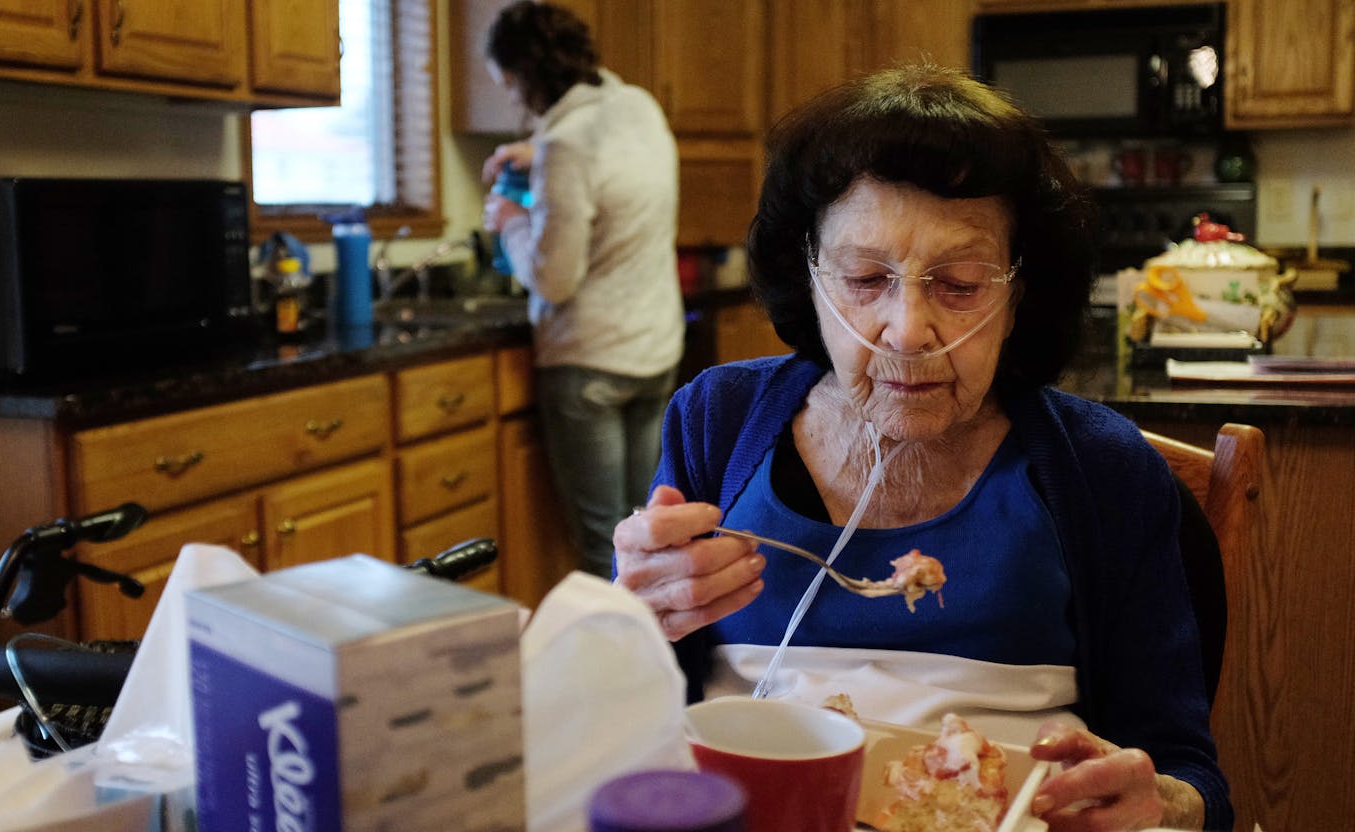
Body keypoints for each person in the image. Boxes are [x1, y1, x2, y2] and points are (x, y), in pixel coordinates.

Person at [612, 65, 1232, 832]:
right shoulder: (718, 419)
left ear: (1018, 294)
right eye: (866, 278)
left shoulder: (1101, 470)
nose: (907, 330)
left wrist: (1162, 802)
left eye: (960, 284)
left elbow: (1190, 779)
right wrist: (634, 616)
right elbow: (634, 715)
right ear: (810, 280)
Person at [480, 1, 684, 580]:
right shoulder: (637, 106)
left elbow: (554, 277)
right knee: (647, 532)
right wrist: (537, 158)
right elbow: (611, 169)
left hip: (591, 362)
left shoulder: (565, 144)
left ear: (523, 76)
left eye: (508, 84)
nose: (512, 98)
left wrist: (511, 219)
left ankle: (611, 667)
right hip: (655, 351)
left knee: (605, 546)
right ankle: (658, 663)